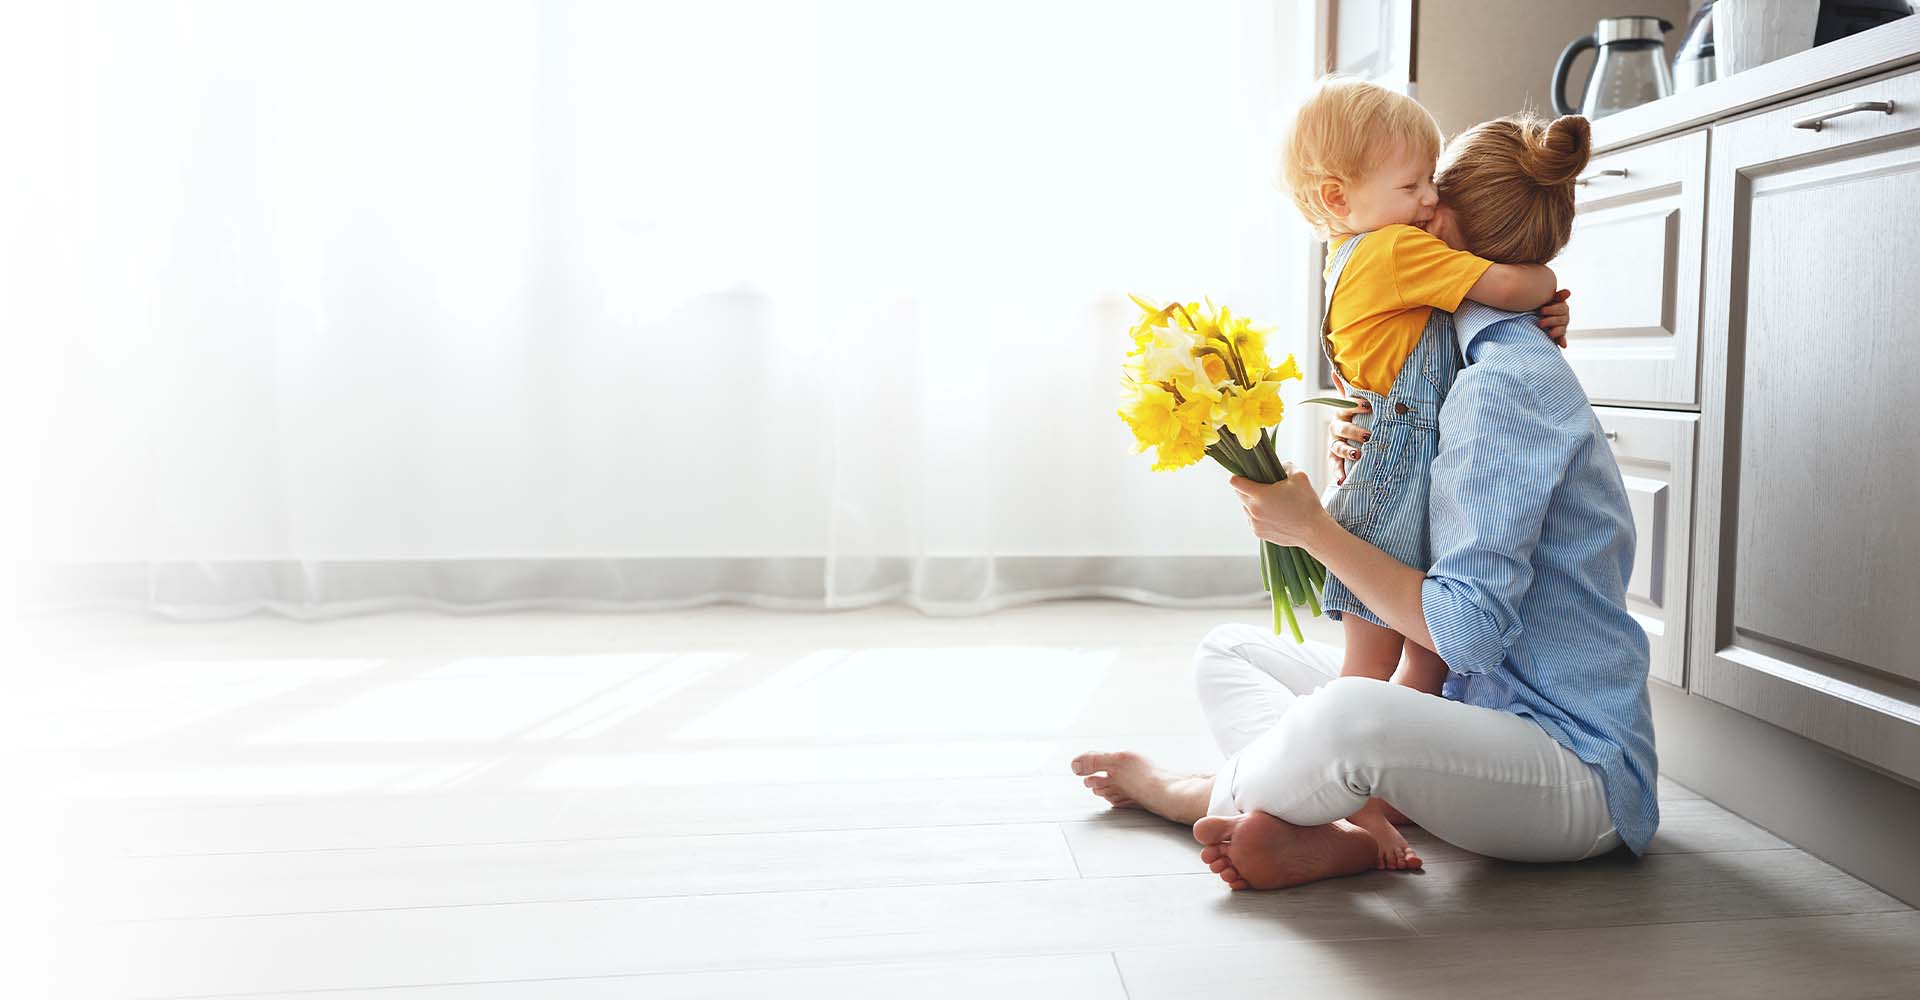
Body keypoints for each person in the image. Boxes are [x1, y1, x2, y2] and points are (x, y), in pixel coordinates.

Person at [1071, 111, 1658, 890]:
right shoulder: (1454, 360)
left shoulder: (1505, 386)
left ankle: (1191, 795)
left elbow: (1468, 636)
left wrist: (1313, 529)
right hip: (1471, 719)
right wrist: (1373, 440)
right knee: (1232, 651)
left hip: (1569, 767)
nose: (1409, 207)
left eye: (1424, 188)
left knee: (1346, 713)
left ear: (1439, 227)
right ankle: (1336, 825)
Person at [1272, 77, 1566, 868]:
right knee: (1405, 666)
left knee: (1381, 666)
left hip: (1385, 472)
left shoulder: (1345, 256)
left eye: (1434, 181)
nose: (1430, 200)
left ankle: (1343, 798)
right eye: (1412, 186)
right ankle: (1345, 801)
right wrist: (1544, 282)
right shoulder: (1396, 248)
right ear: (1339, 196)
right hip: (1401, 479)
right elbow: (1502, 283)